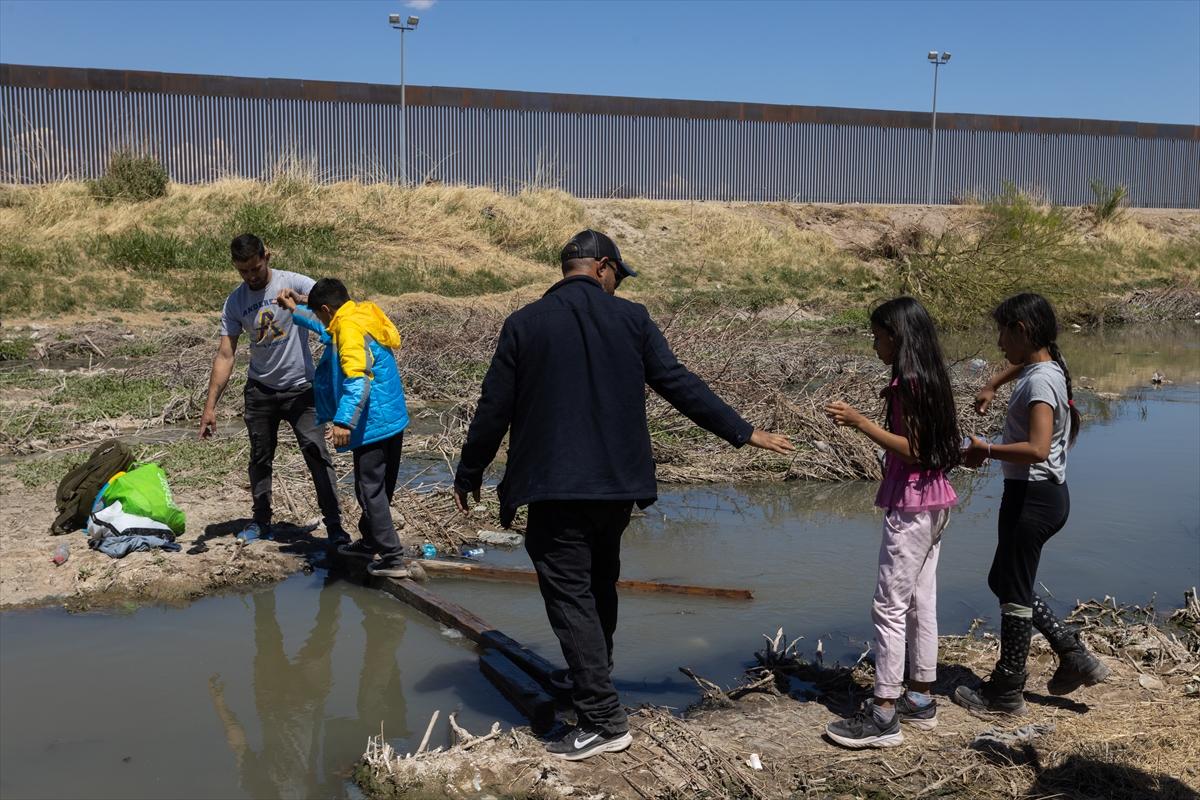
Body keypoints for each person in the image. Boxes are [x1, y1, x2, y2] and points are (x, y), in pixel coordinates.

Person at [452, 229, 794, 761]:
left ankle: (603, 719)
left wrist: (469, 471)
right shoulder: (632, 320)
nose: (615, 285)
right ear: (605, 268)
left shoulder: (524, 324)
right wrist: (743, 431)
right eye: (617, 277)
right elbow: (678, 383)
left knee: (570, 594)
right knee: (597, 582)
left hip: (555, 486)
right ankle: (595, 682)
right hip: (617, 487)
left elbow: (494, 406)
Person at [954, 293, 1109, 715]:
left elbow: (1038, 448)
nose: (999, 342)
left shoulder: (1041, 381)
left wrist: (985, 449)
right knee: (1004, 581)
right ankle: (1071, 653)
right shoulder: (1048, 366)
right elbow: (1026, 365)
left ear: (1021, 330)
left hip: (1032, 499)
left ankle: (1006, 690)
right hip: (1045, 497)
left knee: (1014, 592)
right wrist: (993, 383)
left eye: (1002, 332)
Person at [822, 297, 961, 748]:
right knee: (922, 600)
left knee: (889, 606)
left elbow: (915, 450)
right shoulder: (931, 377)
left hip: (913, 505)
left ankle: (883, 711)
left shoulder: (909, 384)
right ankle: (919, 697)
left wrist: (860, 421)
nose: (875, 343)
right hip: (935, 501)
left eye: (879, 335)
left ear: (897, 337)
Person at [199, 234, 347, 548]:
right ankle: (261, 521)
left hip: (301, 391)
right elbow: (226, 355)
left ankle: (335, 526)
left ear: (267, 255)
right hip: (260, 391)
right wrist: (210, 406)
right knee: (260, 458)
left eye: (255, 268)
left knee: (317, 455)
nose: (251, 276)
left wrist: (300, 300)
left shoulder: (292, 281)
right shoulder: (235, 302)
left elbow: (335, 304)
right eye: (243, 272)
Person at [279, 278, 411, 578]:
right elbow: (327, 332)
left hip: (371, 422)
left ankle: (392, 557)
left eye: (321, 314)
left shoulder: (348, 329)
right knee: (379, 487)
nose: (324, 322)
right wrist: (297, 307)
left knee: (369, 490)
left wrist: (342, 421)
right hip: (391, 417)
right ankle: (370, 541)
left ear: (326, 309)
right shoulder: (361, 314)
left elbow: (358, 379)